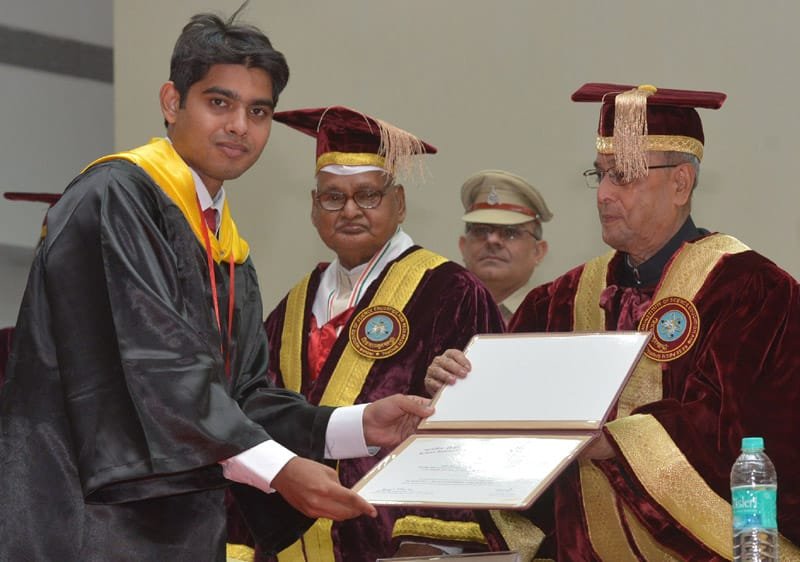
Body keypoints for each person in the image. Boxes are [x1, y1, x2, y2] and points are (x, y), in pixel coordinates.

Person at [0, 10, 433, 562]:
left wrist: (355, 425)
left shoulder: (225, 246)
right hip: (86, 523)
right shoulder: (116, 198)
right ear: (171, 102)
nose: (239, 126)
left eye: (258, 111)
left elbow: (244, 394)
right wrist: (280, 468)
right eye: (219, 102)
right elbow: (156, 366)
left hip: (179, 530)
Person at [426, 83, 800, 560]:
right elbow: (509, 436)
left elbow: (754, 431)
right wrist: (459, 391)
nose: (603, 194)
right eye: (599, 174)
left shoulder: (753, 290)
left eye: (623, 176)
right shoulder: (557, 302)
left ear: (680, 183)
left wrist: (615, 442)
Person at [257, 105, 506, 561]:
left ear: (400, 203)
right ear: (314, 208)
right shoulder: (293, 304)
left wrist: (431, 542)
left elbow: (474, 432)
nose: (350, 210)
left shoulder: (451, 291)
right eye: (333, 197)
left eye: (368, 195)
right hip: (292, 542)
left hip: (398, 545)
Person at [458, 170, 552, 323]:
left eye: (510, 232)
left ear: (538, 252)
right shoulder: (440, 314)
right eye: (480, 231)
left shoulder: (553, 317)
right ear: (463, 246)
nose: (492, 240)